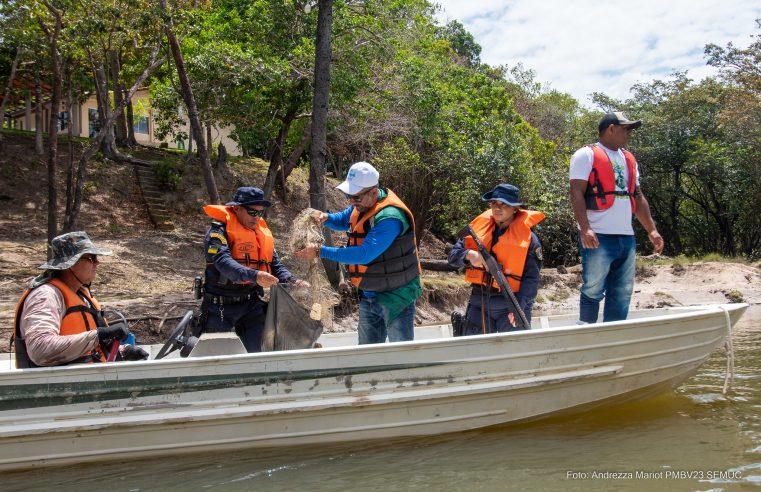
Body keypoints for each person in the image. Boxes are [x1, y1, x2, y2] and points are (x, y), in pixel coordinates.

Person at [293, 161, 422, 345]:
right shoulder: (362, 204)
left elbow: (364, 254)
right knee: (367, 354)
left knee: (400, 355)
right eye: (349, 196)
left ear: (374, 192)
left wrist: (319, 251)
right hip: (370, 295)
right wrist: (326, 218)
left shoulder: (390, 218)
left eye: (356, 198)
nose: (351, 201)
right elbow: (344, 219)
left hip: (397, 299)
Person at [569, 112, 664, 324]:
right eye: (626, 128)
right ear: (611, 129)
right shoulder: (586, 155)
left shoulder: (629, 159)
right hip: (598, 235)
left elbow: (637, 196)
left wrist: (652, 230)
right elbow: (576, 192)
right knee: (593, 287)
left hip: (626, 236)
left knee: (622, 291)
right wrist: (585, 228)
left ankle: (614, 335)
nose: (630, 133)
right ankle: (586, 333)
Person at [13, 231, 146, 368]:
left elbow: (87, 347)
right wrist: (98, 335)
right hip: (55, 386)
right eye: (91, 258)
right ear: (70, 264)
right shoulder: (46, 296)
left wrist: (124, 352)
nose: (97, 262)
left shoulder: (80, 295)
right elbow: (39, 350)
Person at [201, 186, 304, 352]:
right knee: (215, 358)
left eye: (260, 213)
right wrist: (254, 275)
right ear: (237, 208)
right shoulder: (217, 232)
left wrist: (293, 281)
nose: (257, 218)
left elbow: (275, 265)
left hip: (251, 304)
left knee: (262, 353)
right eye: (252, 212)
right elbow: (221, 260)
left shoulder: (261, 234)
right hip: (220, 306)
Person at [448, 184, 544, 334]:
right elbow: (453, 257)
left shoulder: (530, 240)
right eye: (494, 203)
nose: (497, 208)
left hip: (510, 305)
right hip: (479, 303)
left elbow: (532, 278)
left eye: (504, 204)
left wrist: (519, 306)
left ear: (515, 208)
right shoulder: (477, 231)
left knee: (514, 353)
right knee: (475, 353)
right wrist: (470, 255)